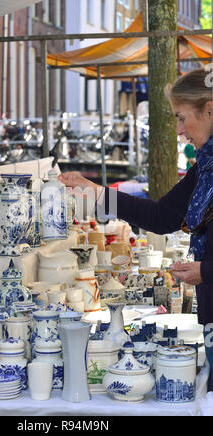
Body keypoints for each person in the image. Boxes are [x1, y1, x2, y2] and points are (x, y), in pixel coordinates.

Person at [59, 68, 213, 390]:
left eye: (182, 118)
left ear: (209, 109)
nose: (179, 130)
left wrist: (206, 271)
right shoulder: (206, 168)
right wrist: (94, 191)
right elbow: (162, 216)